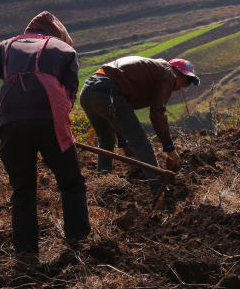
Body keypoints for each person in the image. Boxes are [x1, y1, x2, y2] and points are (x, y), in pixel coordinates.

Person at [0, 11, 89, 256]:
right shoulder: (65, 50)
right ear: (59, 36)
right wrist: (57, 127)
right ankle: (78, 247)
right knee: (72, 184)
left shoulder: (6, 47)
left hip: (10, 119)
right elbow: (69, 97)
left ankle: (26, 256)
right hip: (51, 118)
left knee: (23, 190)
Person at [79, 56, 198, 193]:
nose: (181, 87)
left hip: (88, 92)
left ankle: (103, 185)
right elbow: (157, 114)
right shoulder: (167, 73)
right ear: (176, 71)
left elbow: (120, 109)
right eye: (185, 81)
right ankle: (158, 190)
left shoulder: (151, 71)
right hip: (107, 93)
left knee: (105, 141)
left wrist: (123, 143)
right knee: (142, 144)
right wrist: (170, 150)